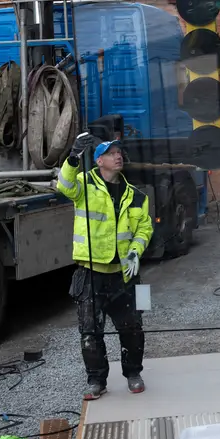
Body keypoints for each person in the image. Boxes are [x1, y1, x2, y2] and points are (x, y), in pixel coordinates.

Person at [57, 133, 153, 400]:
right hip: (90, 273)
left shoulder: (136, 195)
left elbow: (144, 228)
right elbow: (63, 185)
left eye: (119, 152)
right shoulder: (83, 185)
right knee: (90, 332)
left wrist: (135, 252)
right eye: (111, 153)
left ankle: (133, 373)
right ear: (99, 160)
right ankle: (96, 380)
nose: (117, 156)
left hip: (126, 275)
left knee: (133, 328)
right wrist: (74, 157)